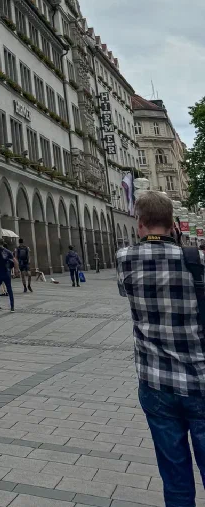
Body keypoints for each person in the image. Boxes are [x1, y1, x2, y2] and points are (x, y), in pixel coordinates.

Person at [118, 190, 205, 507]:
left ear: (139, 224)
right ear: (174, 224)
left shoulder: (124, 259)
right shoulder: (197, 262)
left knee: (175, 477)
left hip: (155, 382)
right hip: (199, 380)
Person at [0, 239, 15, 311]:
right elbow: (12, 261)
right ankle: (12, 307)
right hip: (7, 272)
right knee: (9, 289)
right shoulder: (8, 252)